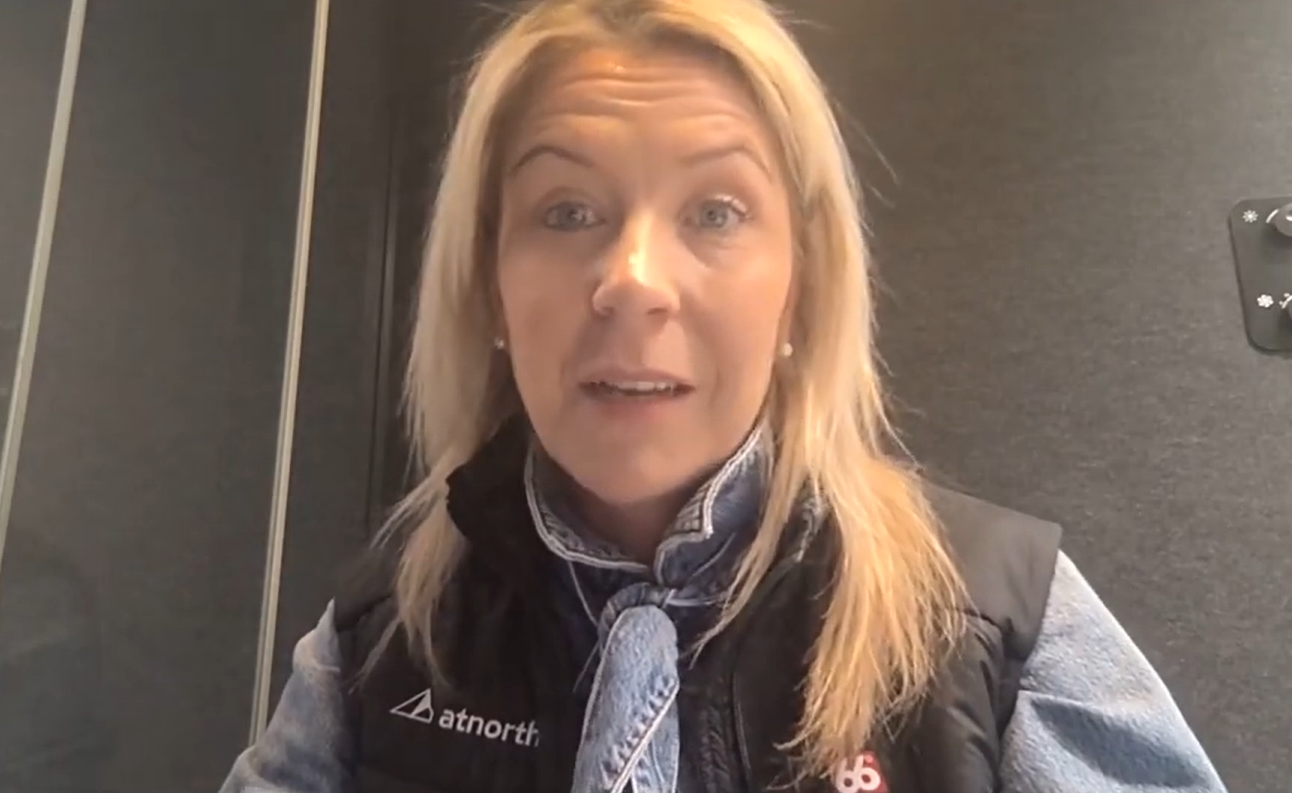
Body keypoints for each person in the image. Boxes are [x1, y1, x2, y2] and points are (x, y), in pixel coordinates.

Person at [220, 0, 1228, 791]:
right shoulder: (381, 631)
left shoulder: (997, 618)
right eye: (565, 209)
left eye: (714, 209)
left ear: (802, 287)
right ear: (489, 281)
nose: (633, 279)